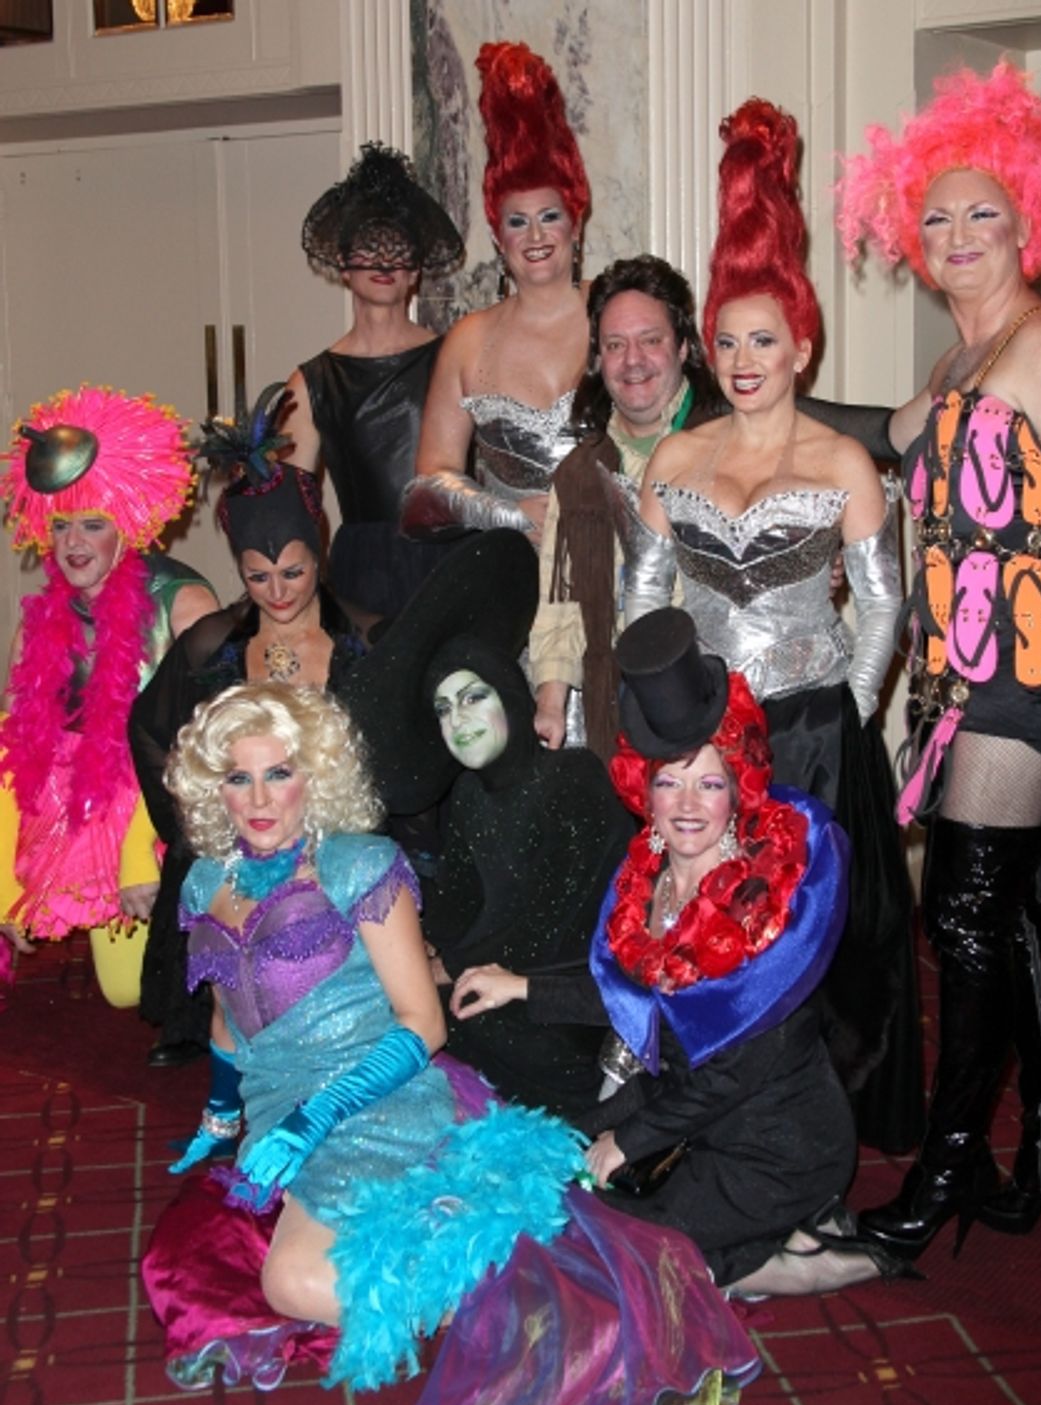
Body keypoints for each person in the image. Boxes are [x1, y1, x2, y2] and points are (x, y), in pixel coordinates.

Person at [143, 680, 759, 1405]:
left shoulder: (361, 864)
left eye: (280, 773)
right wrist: (222, 1115)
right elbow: (228, 1023)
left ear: (314, 775)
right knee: (193, 1254)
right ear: (210, 786)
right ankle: (480, 1241)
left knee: (288, 1282)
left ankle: (519, 1290)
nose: (260, 799)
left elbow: (421, 1024)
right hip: (279, 1118)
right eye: (238, 778)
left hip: (375, 1100)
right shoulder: (199, 886)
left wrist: (316, 1114)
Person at [830, 62, 1041, 1257]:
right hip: (964, 677)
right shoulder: (960, 362)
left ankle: (953, 1165)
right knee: (996, 910)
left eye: (983, 214)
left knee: (962, 910)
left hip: (1030, 671)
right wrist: (753, 402)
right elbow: (887, 437)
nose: (958, 235)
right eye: (936, 216)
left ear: (1030, 222)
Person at [631, 100, 924, 1154]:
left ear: (803, 343)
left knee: (816, 946)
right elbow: (643, 601)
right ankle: (703, 1111)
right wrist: (655, 727)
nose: (744, 358)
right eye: (726, 341)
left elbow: (884, 603)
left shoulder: (845, 466)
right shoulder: (675, 459)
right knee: (707, 926)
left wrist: (842, 713)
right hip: (704, 740)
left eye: (764, 339)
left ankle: (815, 1127)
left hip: (807, 737)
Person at [583, 608, 915, 1295]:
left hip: (779, 1147)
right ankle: (780, 1234)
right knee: (564, 1179)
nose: (686, 804)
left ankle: (795, 1257)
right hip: (701, 1121)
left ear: (739, 786)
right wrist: (520, 989)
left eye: (708, 782)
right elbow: (645, 1012)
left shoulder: (770, 899)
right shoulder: (647, 873)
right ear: (640, 788)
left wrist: (630, 1137)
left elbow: (732, 1072)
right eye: (668, 781)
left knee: (625, 1249)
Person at [340, 530, 632, 1126]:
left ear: (511, 698)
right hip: (500, 976)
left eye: (473, 697)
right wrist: (423, 948)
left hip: (570, 995)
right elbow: (458, 897)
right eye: (444, 709)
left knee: (459, 1011)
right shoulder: (470, 792)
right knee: (390, 999)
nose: (460, 720)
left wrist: (451, 966)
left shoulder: (572, 777)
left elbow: (556, 925)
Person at [131, 389, 373, 1069]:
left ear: (319, 550)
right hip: (240, 851)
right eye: (256, 575)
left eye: (293, 571)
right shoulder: (215, 643)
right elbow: (148, 729)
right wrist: (197, 820)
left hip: (334, 855)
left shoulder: (365, 639)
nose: (277, 591)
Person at [0, 385, 215, 1007]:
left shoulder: (183, 602)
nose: (73, 545)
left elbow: (204, 747)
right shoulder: (43, 615)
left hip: (156, 794)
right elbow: (19, 744)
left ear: (128, 525)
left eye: (93, 526)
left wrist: (141, 854)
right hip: (72, 796)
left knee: (127, 991)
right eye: (62, 525)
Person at [530, 253, 723, 758]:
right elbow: (559, 607)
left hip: (718, 707)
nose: (632, 360)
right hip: (618, 717)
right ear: (598, 359)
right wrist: (551, 706)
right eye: (615, 345)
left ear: (683, 347)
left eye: (651, 340)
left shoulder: (730, 447)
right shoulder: (577, 475)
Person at [402, 41, 590, 552]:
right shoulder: (469, 340)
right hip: (512, 574)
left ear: (576, 225)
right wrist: (505, 513)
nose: (535, 236)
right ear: (497, 238)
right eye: (517, 221)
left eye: (550, 216)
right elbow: (429, 484)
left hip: (620, 570)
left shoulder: (619, 314)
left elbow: (687, 434)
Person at [284, 142, 465, 618]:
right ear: (344, 265)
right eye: (369, 245)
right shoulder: (311, 382)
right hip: (363, 570)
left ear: (416, 270)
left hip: (451, 559)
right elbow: (289, 511)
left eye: (397, 247)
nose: (383, 261)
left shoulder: (454, 357)